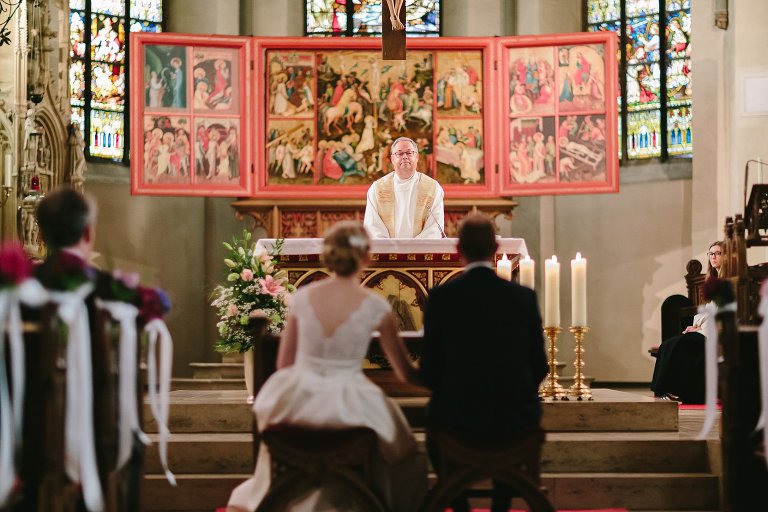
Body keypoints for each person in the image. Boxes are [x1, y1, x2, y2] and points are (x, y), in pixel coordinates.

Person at [226, 222, 426, 512]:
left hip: (298, 398)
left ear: (327, 257)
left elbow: (284, 363)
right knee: (406, 458)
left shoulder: (303, 298)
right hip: (351, 401)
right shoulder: (375, 306)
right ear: (366, 257)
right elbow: (405, 372)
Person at [420, 214, 548, 512]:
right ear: (496, 249)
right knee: (506, 450)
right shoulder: (522, 298)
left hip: (456, 421)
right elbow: (539, 366)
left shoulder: (442, 298)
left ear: (457, 251)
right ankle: (500, 506)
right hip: (515, 420)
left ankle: (460, 504)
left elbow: (430, 372)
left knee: (433, 433)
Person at [651, 241, 723, 403]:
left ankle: (674, 390)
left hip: (716, 334)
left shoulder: (730, 282)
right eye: (710, 253)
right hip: (704, 330)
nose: (713, 256)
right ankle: (662, 390)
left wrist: (699, 329)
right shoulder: (713, 281)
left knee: (678, 346)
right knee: (668, 344)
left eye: (718, 253)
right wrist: (696, 326)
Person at [364, 137, 445, 238]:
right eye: (399, 153)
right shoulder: (377, 188)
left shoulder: (433, 188)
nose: (405, 157)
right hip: (386, 252)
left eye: (409, 152)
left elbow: (434, 229)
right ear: (392, 159)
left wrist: (413, 250)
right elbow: (373, 227)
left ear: (417, 157)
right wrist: (390, 250)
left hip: (421, 252)